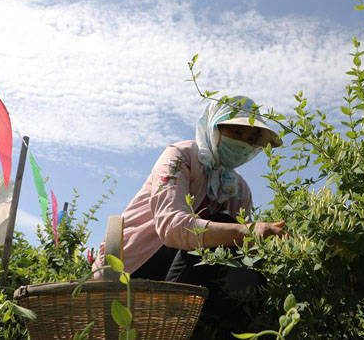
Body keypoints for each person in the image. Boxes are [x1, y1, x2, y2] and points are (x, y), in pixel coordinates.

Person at [92, 96, 286, 338]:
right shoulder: (180, 156)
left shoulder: (238, 189)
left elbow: (239, 256)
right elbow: (172, 227)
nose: (243, 144)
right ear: (215, 127)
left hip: (188, 277)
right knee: (227, 228)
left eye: (250, 140)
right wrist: (246, 231)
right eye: (236, 133)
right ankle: (172, 327)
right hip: (129, 272)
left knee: (247, 262)